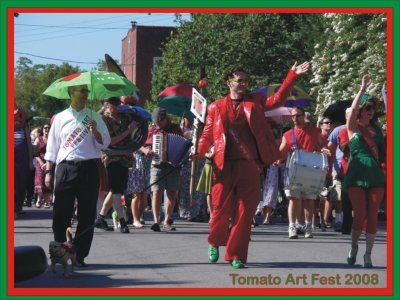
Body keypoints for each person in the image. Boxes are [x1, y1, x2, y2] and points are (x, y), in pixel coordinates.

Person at [196, 61, 310, 269]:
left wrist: (292, 74)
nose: (243, 84)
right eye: (239, 81)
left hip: (249, 165)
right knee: (219, 208)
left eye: (246, 81)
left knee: (245, 212)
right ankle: (214, 241)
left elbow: (278, 99)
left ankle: (236, 254)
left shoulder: (255, 101)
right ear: (229, 83)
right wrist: (198, 152)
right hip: (223, 165)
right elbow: (207, 134)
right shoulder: (215, 107)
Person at [44, 84, 111, 266]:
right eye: (82, 91)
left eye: (87, 91)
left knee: (87, 214)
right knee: (61, 213)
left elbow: (105, 143)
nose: (85, 95)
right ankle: (60, 252)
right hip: (65, 168)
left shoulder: (95, 116)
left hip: (88, 167)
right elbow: (52, 148)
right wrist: (49, 172)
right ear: (70, 93)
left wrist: (95, 131)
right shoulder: (60, 118)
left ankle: (79, 255)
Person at [344, 74, 385, 268]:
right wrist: (362, 89)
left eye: (373, 108)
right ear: (361, 111)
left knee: (373, 214)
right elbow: (351, 110)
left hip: (375, 176)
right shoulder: (353, 128)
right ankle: (353, 247)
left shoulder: (378, 131)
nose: (371, 111)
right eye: (368, 108)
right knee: (359, 214)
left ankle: (368, 254)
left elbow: (385, 156)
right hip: (356, 174)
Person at [279, 107, 330, 239]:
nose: (295, 118)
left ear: (303, 116)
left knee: (309, 200)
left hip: (311, 170)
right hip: (294, 171)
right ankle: (292, 227)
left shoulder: (314, 131)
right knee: (293, 199)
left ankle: (308, 227)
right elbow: (281, 151)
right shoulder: (288, 134)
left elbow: (321, 144)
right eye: (293, 116)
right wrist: (277, 159)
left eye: (298, 116)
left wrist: (324, 149)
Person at [95, 97, 138, 233]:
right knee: (117, 191)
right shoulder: (103, 120)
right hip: (111, 158)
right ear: (107, 105)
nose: (116, 107)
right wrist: (128, 131)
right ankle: (122, 221)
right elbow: (110, 141)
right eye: (112, 104)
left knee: (116, 190)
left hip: (124, 157)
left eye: (117, 104)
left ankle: (101, 218)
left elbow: (133, 133)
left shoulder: (124, 117)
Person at [149, 108, 184, 232]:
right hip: (157, 165)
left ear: (166, 119)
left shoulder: (176, 129)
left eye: (159, 121)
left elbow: (183, 146)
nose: (157, 124)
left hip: (173, 167)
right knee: (156, 192)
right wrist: (146, 151)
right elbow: (141, 145)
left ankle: (167, 220)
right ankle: (155, 221)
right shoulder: (153, 130)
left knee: (171, 192)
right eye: (156, 122)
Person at [14, 104, 33, 218]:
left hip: (22, 156)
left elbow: (29, 144)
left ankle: (18, 206)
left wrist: (30, 161)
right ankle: (12, 209)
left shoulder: (24, 126)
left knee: (20, 182)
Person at [34, 124, 52, 208]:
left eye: (48, 127)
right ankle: (38, 200)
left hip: (49, 162)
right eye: (45, 128)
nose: (47, 129)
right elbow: (34, 153)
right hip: (40, 163)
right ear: (42, 129)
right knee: (40, 181)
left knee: (48, 182)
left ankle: (47, 202)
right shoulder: (38, 139)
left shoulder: (52, 139)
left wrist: (47, 163)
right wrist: (41, 161)